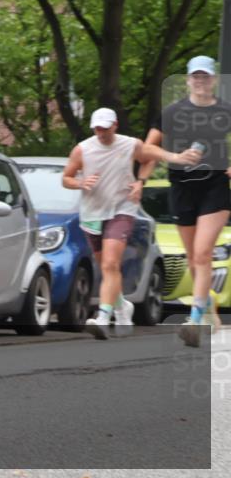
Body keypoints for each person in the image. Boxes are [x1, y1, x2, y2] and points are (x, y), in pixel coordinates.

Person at [62, 107, 198, 340]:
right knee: (104, 265)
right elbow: (66, 178)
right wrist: (81, 183)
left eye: (105, 128)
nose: (101, 132)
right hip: (93, 213)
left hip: (122, 209)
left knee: (110, 263)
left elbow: (150, 158)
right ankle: (122, 306)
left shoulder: (130, 144)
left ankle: (103, 316)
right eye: (97, 128)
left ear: (115, 125)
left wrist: (140, 182)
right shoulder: (83, 149)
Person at [140, 55, 230, 347]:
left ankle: (193, 320)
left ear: (213, 79)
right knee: (194, 257)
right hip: (181, 188)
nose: (201, 81)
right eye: (196, 76)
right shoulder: (173, 112)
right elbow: (146, 147)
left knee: (203, 253)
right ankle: (208, 308)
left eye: (206, 76)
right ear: (188, 79)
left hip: (216, 187)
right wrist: (174, 157)